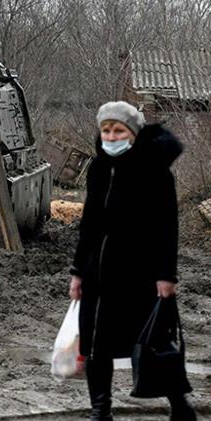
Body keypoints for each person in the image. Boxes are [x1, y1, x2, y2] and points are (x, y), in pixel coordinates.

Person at [68, 101, 196, 421]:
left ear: (134, 133)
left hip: (142, 272)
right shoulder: (98, 168)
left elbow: (167, 226)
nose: (111, 136)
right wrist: (78, 271)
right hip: (99, 272)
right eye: (106, 130)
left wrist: (166, 275)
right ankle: (101, 410)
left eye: (119, 130)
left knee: (154, 341)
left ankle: (180, 406)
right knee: (97, 342)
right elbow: (90, 222)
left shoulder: (155, 171)